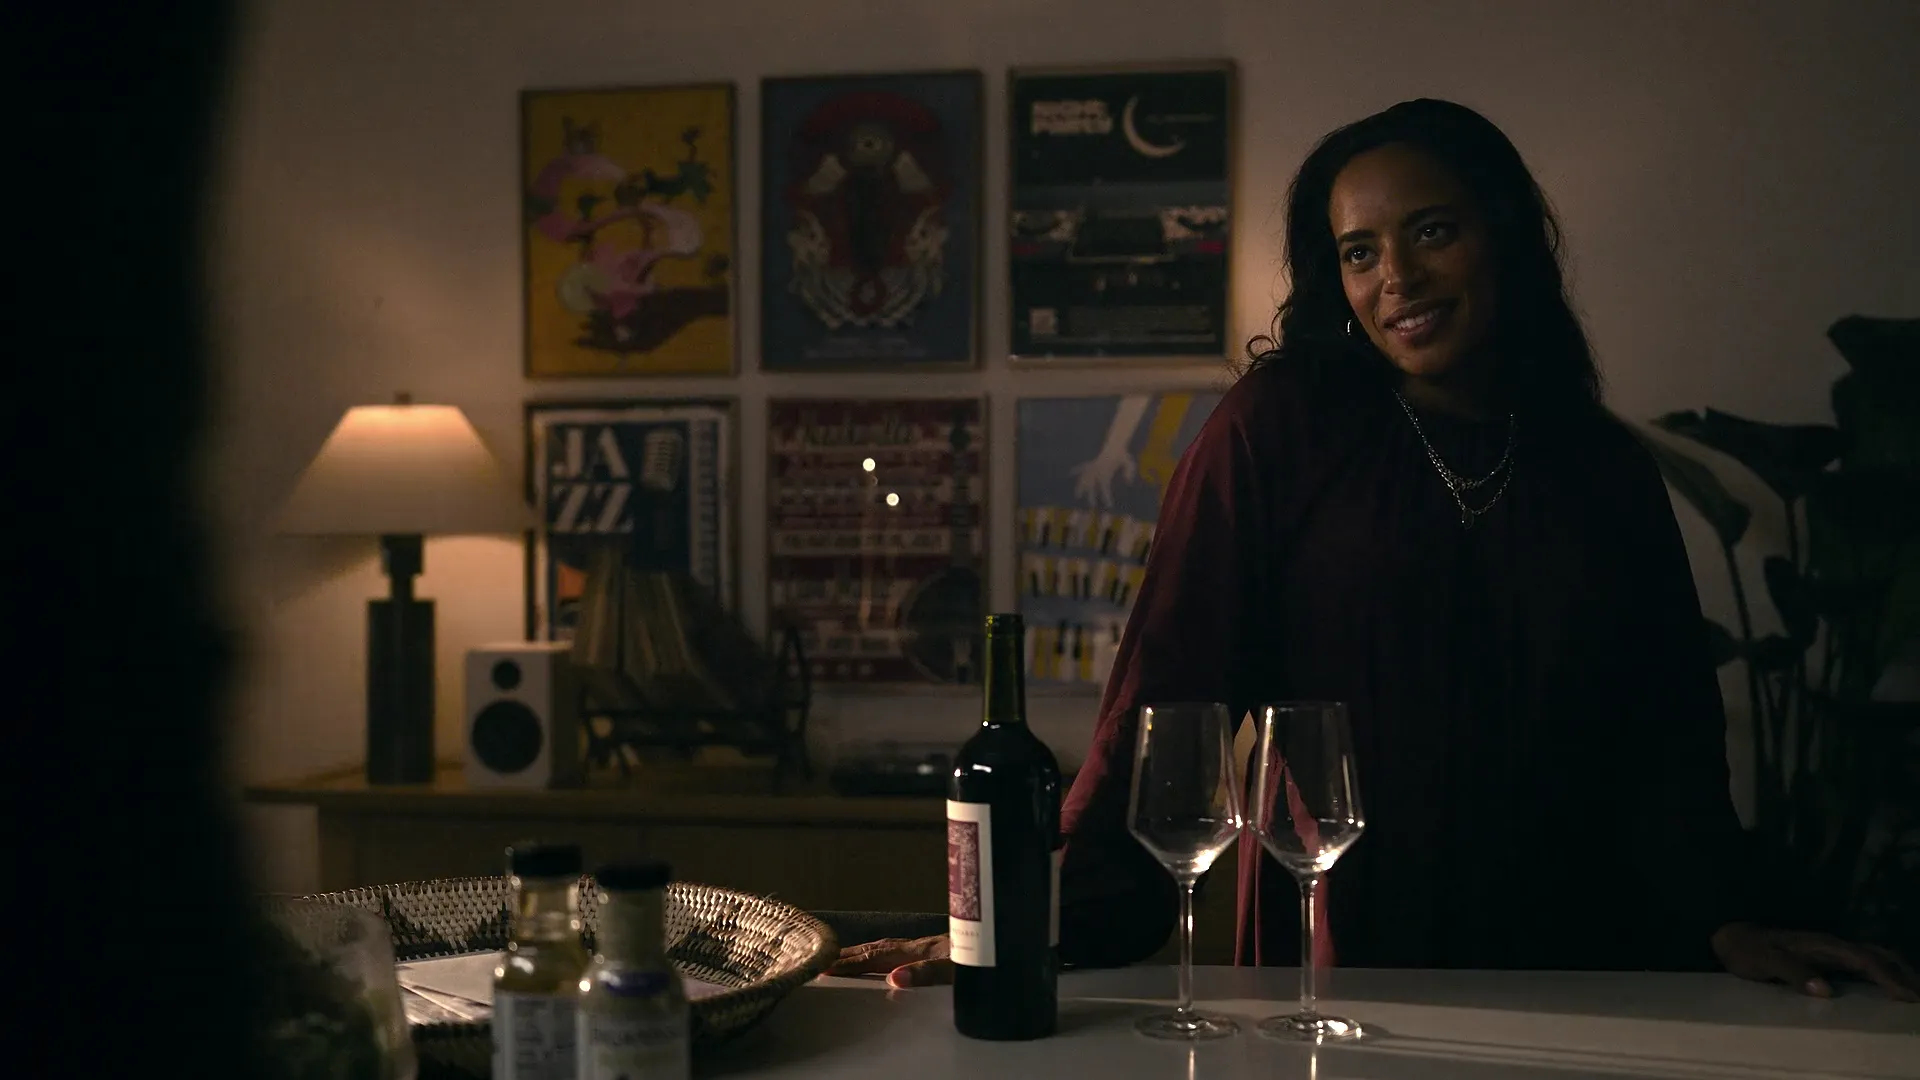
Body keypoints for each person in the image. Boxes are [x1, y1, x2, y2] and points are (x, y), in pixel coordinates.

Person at [831, 97, 1919, 1001]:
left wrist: (1726, 919)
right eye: (1360, 251)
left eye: (1432, 232)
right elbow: (1165, 693)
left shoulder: (1601, 465)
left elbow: (1669, 732)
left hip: (1584, 958)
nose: (1396, 275)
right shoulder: (1277, 428)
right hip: (1341, 954)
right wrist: (1041, 920)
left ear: (1504, 236)